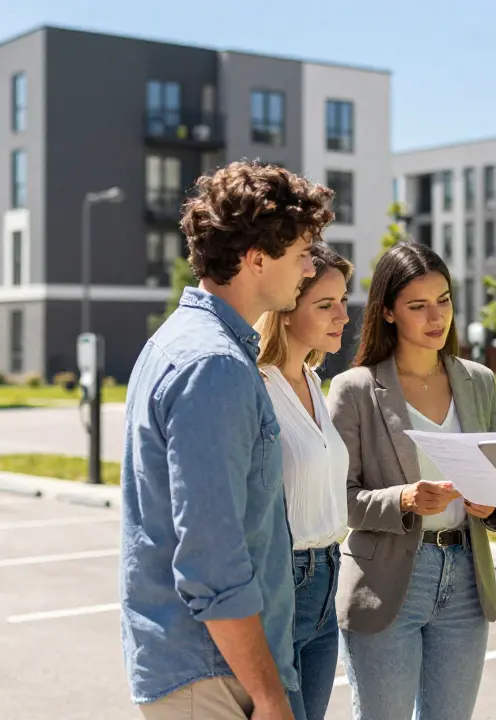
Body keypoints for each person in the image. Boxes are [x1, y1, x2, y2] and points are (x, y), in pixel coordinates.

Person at [120, 160, 333, 720]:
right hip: (215, 676)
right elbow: (212, 560)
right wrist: (269, 696)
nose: (309, 268)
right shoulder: (213, 365)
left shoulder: (187, 344)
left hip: (205, 670)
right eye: (301, 253)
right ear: (257, 258)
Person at [327, 242, 496, 720]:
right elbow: (337, 498)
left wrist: (492, 506)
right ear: (387, 311)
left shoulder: (479, 381)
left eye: (443, 300)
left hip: (466, 579)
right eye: (418, 305)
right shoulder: (354, 389)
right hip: (386, 582)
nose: (436, 316)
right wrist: (402, 499)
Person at [254, 243, 355, 720]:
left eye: (343, 301)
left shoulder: (313, 380)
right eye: (325, 304)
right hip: (282, 584)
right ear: (287, 311)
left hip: (327, 578)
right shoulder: (257, 385)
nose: (343, 316)